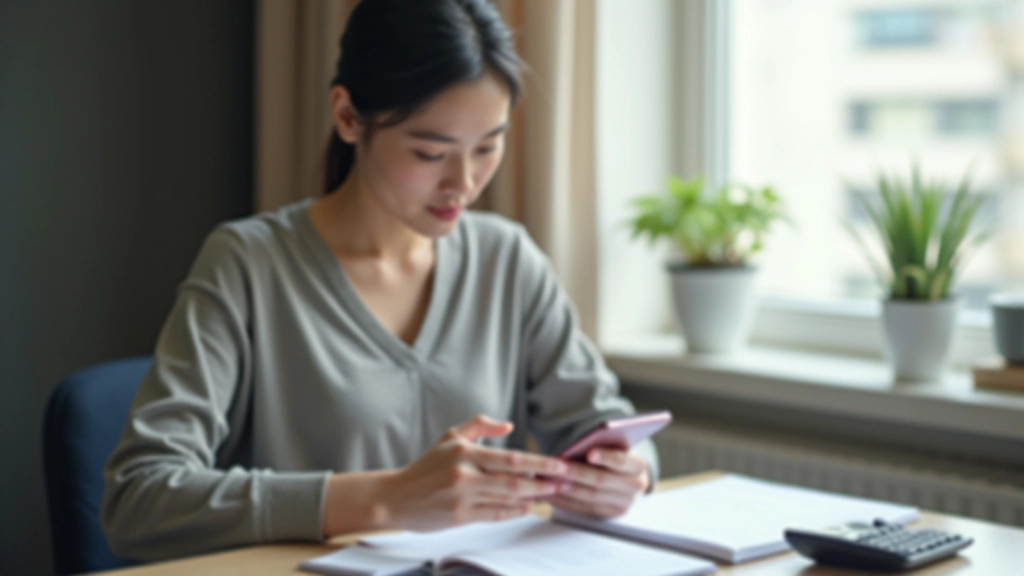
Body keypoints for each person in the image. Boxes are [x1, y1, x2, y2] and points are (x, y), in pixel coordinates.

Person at [101, 0, 658, 562]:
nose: (462, 183)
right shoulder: (248, 264)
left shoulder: (507, 259)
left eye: (488, 146)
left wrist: (628, 472)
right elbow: (139, 497)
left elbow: (606, 426)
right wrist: (388, 498)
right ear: (347, 116)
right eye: (430, 152)